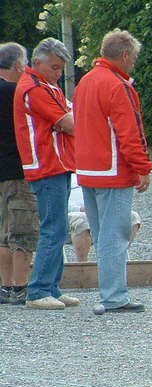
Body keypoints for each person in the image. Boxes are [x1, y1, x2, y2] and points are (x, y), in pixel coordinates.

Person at [74, 29, 152, 313]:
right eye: (133, 57)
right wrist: (143, 167)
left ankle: (110, 292)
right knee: (114, 235)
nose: (133, 63)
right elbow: (129, 133)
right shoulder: (118, 86)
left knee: (101, 233)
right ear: (125, 55)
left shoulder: (85, 82)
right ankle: (114, 296)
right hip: (112, 172)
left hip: (87, 170)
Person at [12, 37, 78, 311]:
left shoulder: (47, 86)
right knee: (53, 229)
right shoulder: (34, 89)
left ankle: (51, 287)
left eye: (61, 69)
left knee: (58, 227)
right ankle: (39, 289)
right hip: (46, 164)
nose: (58, 74)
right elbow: (69, 123)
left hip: (57, 163)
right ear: (37, 63)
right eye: (54, 67)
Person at [0, 42, 39, 306]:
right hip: (17, 169)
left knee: (2, 232)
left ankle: (4, 287)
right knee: (22, 231)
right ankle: (20, 287)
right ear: (18, 65)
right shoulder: (16, 94)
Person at [67, 174, 141, 262]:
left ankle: (116, 260)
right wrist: (80, 208)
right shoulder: (62, 176)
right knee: (81, 219)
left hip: (99, 211)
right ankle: (82, 267)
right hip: (70, 214)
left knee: (132, 217)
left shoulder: (94, 174)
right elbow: (56, 202)